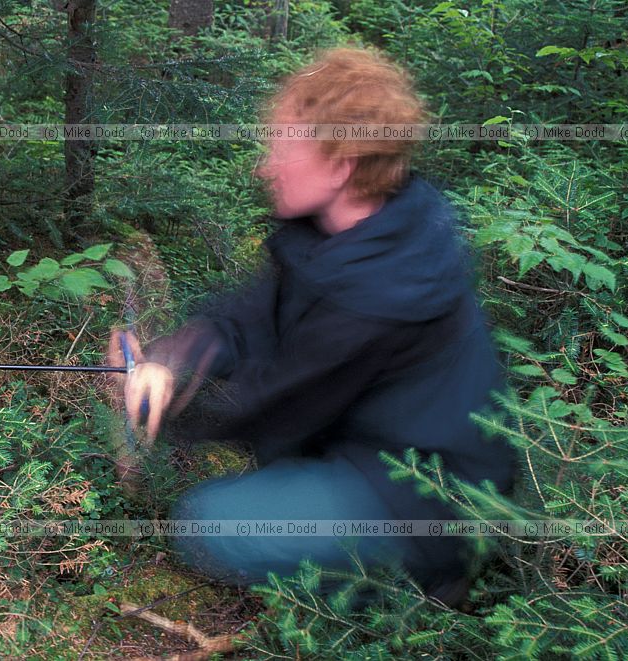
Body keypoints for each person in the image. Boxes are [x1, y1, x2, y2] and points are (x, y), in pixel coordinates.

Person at [110, 46, 516, 607]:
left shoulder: (384, 291)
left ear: (340, 164)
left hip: (425, 497)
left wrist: (162, 407)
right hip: (363, 444)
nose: (265, 165)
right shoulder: (340, 228)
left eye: (282, 148)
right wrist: (169, 359)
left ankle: (422, 588)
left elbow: (273, 403)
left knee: (206, 523)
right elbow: (248, 317)